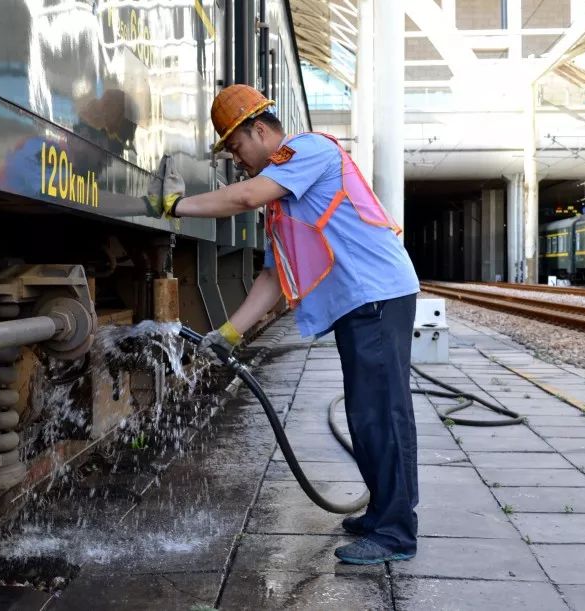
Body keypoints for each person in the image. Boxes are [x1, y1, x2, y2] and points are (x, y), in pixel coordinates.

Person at [144, 84, 420, 565]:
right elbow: (274, 277)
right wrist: (228, 334)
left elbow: (243, 196)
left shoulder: (309, 151)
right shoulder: (283, 202)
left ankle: (396, 532)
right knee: (364, 413)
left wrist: (177, 206)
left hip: (377, 295)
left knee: (382, 413)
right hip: (359, 303)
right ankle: (381, 514)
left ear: (260, 129)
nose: (237, 160)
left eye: (237, 147)